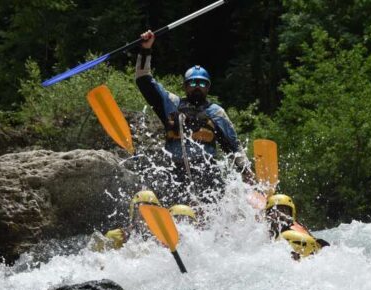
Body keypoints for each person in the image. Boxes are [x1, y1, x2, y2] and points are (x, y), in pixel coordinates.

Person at [134, 30, 253, 206]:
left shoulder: (216, 113)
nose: (198, 87)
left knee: (209, 208)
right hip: (175, 172)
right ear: (185, 86)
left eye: (202, 84)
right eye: (193, 83)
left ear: (208, 88)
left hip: (207, 173)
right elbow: (144, 79)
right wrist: (145, 49)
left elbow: (235, 148)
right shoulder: (171, 103)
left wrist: (248, 175)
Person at [90, 190, 160, 251]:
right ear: (134, 214)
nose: (147, 216)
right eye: (142, 213)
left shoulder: (161, 240)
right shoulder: (114, 237)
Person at [265, 194, 330, 259]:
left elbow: (317, 247)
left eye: (284, 211)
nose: (279, 215)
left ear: (291, 214)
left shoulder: (296, 231)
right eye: (274, 211)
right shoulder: (263, 232)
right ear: (268, 216)